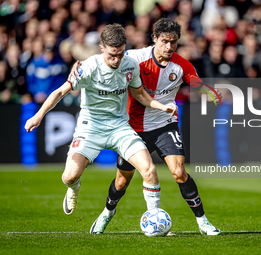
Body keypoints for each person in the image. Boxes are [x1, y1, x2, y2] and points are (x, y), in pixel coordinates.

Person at [71, 18, 221, 235]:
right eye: (164, 41)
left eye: (173, 42)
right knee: (122, 182)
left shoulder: (182, 65)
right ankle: (107, 212)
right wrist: (80, 65)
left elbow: (197, 85)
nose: (169, 47)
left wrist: (211, 93)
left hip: (164, 126)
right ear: (154, 39)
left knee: (179, 172)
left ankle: (203, 222)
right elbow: (105, 58)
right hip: (132, 128)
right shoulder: (135, 58)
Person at [25, 24, 178, 220]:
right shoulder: (88, 67)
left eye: (121, 54)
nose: (117, 60)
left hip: (120, 126)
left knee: (149, 169)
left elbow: (139, 94)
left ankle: (155, 217)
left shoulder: (130, 65)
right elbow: (60, 92)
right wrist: (38, 116)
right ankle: (73, 187)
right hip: (91, 127)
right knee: (69, 176)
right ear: (102, 47)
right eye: (112, 55)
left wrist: (160, 105)